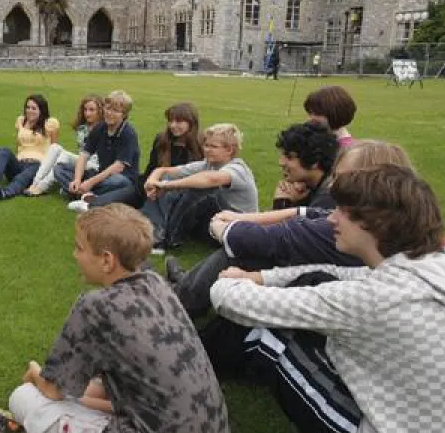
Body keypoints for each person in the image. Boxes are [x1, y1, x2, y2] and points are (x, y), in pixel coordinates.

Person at [206, 165, 445, 433]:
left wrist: (232, 281)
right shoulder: (435, 269)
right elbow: (337, 275)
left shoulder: (375, 299)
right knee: (313, 282)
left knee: (266, 331)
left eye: (342, 212)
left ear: (375, 224)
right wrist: (259, 278)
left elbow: (229, 300)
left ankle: (196, 370)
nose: (331, 219)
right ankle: (208, 360)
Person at [0, 204, 231, 433]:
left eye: (79, 248)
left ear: (106, 260)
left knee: (24, 397)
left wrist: (35, 373)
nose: (74, 255)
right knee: (91, 389)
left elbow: (53, 390)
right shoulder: (157, 284)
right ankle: (69, 419)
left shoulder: (96, 306)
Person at [170, 140, 410, 318]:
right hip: (323, 293)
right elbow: (303, 217)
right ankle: (186, 289)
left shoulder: (341, 225)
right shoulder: (387, 229)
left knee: (242, 251)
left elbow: (277, 237)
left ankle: (180, 303)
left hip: (320, 320)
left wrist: (221, 227)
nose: (281, 161)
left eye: (289, 156)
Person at [141, 123, 257, 251]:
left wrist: (167, 186)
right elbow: (163, 171)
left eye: (213, 146)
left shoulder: (238, 168)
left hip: (238, 228)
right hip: (215, 223)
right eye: (206, 145)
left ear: (229, 150)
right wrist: (152, 181)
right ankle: (151, 230)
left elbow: (211, 179)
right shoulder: (207, 164)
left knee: (200, 190)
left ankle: (169, 241)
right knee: (168, 182)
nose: (207, 150)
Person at [54, 90, 141, 213]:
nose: (109, 113)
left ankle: (78, 193)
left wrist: (90, 182)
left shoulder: (128, 133)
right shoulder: (100, 127)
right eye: (108, 108)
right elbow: (84, 154)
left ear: (124, 115)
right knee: (59, 168)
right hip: (101, 175)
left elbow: (118, 167)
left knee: (118, 181)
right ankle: (89, 197)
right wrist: (78, 179)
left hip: (121, 179)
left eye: (115, 111)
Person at [0, 94, 59, 201]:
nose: (29, 111)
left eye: (34, 108)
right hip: (19, 163)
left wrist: (47, 173)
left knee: (27, 173)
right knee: (3, 150)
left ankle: (5, 192)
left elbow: (54, 149)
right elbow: (18, 145)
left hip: (37, 166)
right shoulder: (21, 121)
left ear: (41, 110)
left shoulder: (50, 124)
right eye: (27, 107)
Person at [28, 93, 103, 196]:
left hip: (95, 166)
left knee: (64, 157)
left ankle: (43, 186)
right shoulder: (82, 128)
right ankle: (35, 183)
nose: (87, 113)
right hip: (83, 162)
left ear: (100, 111)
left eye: (91, 110)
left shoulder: (104, 128)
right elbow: (82, 152)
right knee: (55, 147)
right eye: (85, 110)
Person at [138, 101, 202, 205]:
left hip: (181, 193)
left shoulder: (201, 144)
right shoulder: (162, 140)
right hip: (154, 185)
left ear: (191, 123)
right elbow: (151, 167)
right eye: (170, 121)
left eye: (178, 122)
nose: (172, 125)